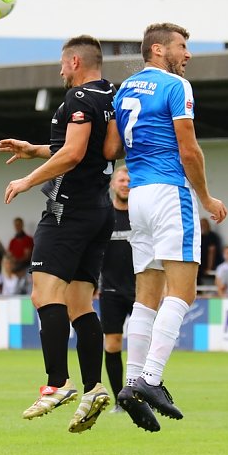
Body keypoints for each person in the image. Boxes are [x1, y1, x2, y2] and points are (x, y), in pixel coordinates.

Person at [104, 22, 227, 432]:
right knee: (184, 291)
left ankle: (129, 383)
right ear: (158, 50)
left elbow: (109, 149)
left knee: (147, 296)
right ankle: (151, 379)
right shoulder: (176, 87)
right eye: (182, 46)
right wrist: (206, 198)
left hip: (137, 195)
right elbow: (189, 149)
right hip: (170, 192)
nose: (187, 54)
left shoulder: (124, 90)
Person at [0, 35, 115, 434]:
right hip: (100, 210)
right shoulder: (109, 96)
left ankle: (57, 383)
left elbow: (75, 153)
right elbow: (102, 149)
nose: (60, 70)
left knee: (44, 294)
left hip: (69, 211)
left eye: (63, 64)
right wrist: (35, 148)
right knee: (80, 303)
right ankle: (94, 387)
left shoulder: (80, 99)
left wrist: (29, 179)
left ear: (76, 61)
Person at [98, 166, 136, 413]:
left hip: (142, 288)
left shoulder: (141, 215)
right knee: (112, 345)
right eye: (121, 179)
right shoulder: (103, 216)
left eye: (129, 180)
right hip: (110, 290)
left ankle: (144, 397)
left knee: (144, 344)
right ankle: (121, 402)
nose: (125, 183)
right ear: (112, 184)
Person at [198, 218, 222, 283]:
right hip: (200, 265)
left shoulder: (212, 236)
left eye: (204, 225)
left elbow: (212, 252)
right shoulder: (198, 236)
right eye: (201, 225)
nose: (202, 227)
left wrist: (209, 267)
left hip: (211, 265)